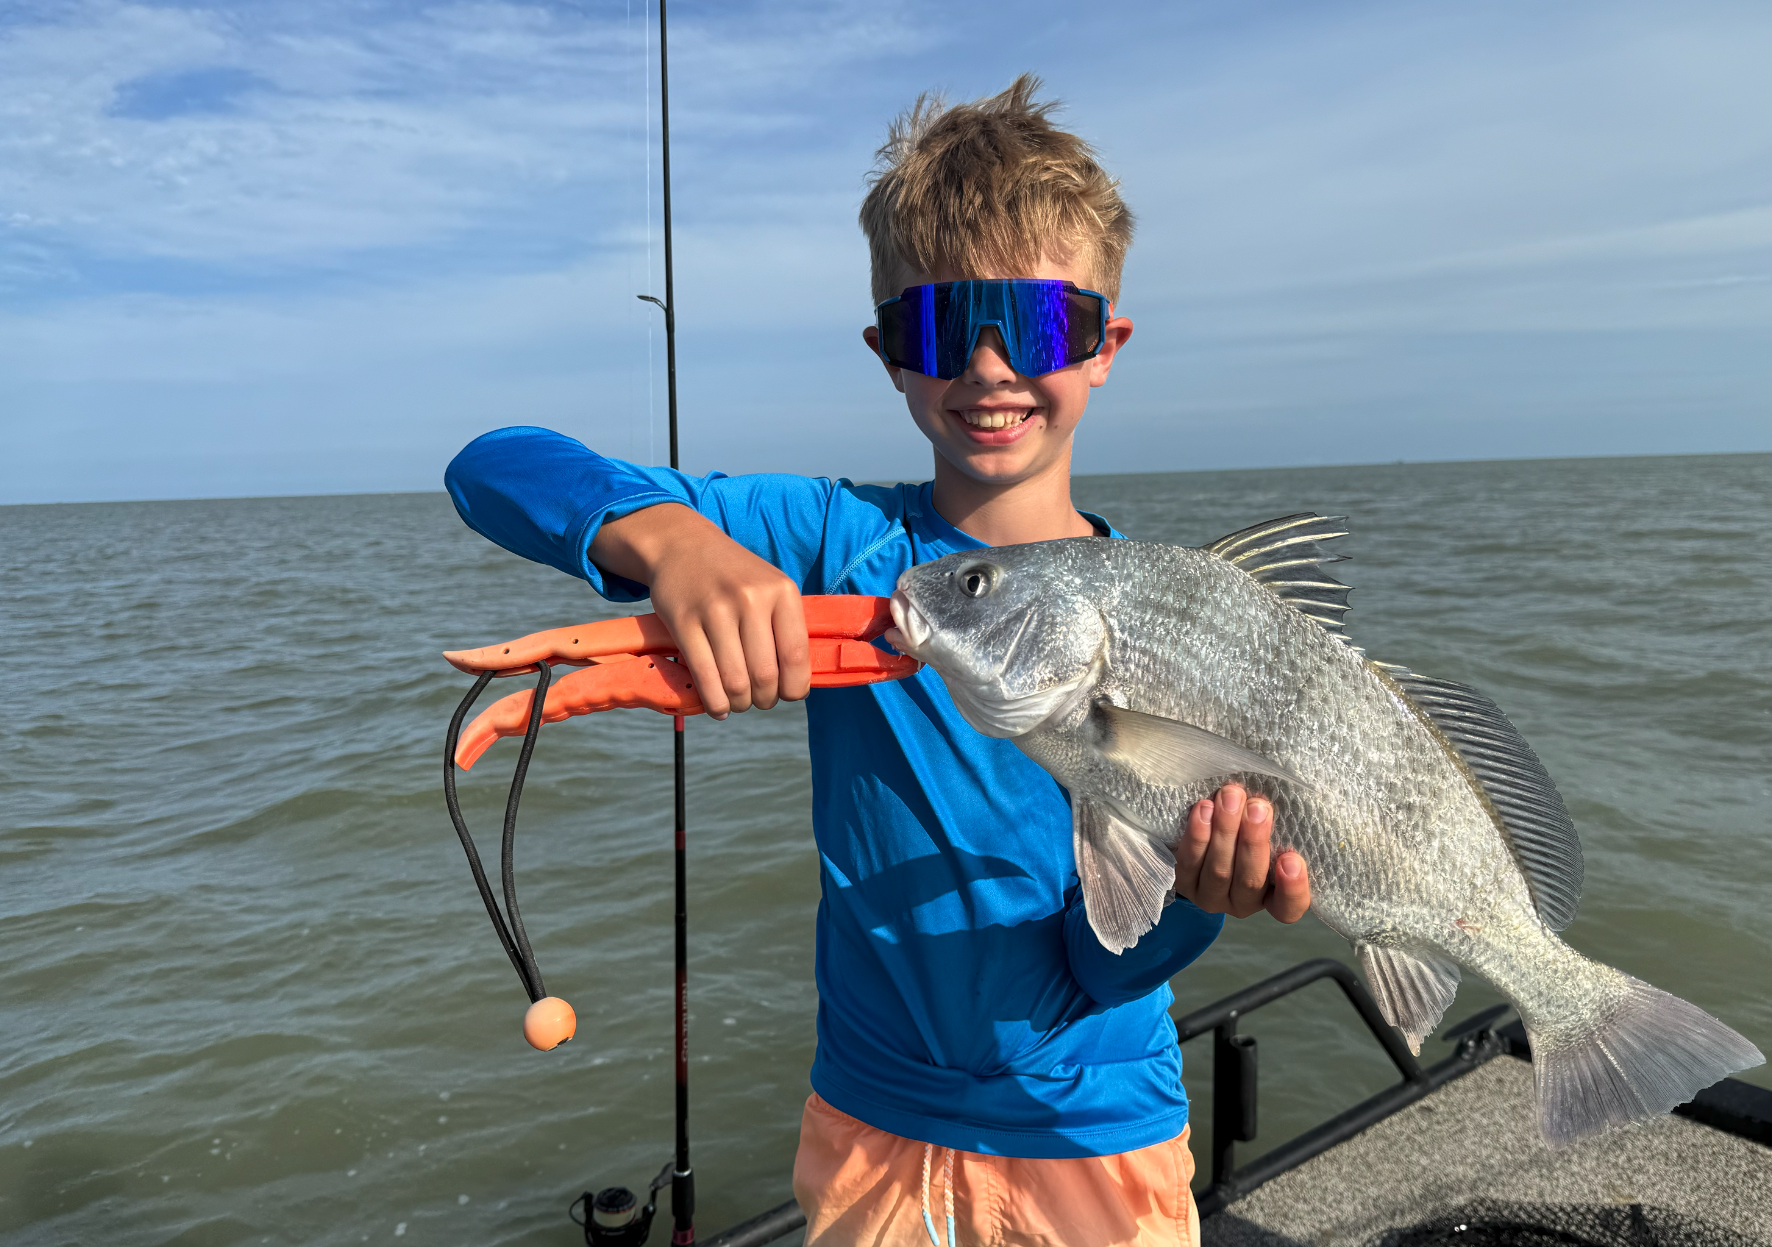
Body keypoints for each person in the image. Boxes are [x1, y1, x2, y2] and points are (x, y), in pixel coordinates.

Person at [445, 75, 1311, 1247]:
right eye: (944, 330)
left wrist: (1197, 903)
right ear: (890, 353)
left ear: (1104, 344)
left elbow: (1103, 963)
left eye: (1038, 326)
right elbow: (494, 465)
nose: (990, 367)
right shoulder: (836, 540)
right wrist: (673, 543)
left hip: (1098, 1130)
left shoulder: (1165, 620)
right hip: (871, 1125)